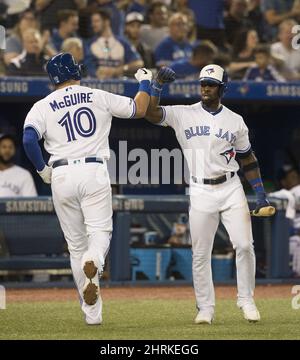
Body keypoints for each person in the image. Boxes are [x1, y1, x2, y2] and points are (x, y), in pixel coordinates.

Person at [22, 52, 152, 325]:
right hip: (93, 170)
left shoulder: (42, 105)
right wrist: (145, 83)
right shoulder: (96, 95)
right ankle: (94, 260)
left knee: (75, 245)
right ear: (75, 73)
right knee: (100, 233)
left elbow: (29, 139)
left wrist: (42, 169)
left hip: (61, 173)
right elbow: (139, 109)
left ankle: (92, 315)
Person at [145, 64, 273, 324]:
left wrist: (260, 193)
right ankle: (205, 308)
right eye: (203, 82)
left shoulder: (235, 120)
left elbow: (248, 159)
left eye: (211, 84)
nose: (205, 87)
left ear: (222, 88)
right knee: (201, 252)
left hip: (230, 187)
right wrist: (156, 86)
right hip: (200, 189)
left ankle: (246, 299)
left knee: (245, 245)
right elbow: (150, 113)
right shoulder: (183, 113)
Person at [85, 9, 143, 79]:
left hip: (118, 86)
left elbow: (138, 63)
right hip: (97, 85)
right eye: (92, 22)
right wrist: (97, 73)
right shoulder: (90, 44)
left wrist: (119, 70)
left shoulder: (122, 42)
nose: (93, 25)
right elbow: (87, 66)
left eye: (96, 21)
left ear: (106, 22)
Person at [269, 166, 300, 277]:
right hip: (293, 237)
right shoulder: (286, 194)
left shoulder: (294, 192)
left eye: (295, 175)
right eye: (291, 176)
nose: (295, 177)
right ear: (284, 181)